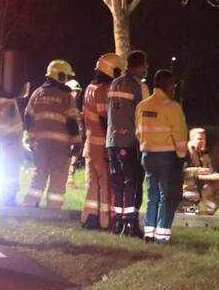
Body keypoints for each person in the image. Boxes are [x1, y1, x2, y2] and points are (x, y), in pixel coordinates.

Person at [136, 70, 188, 243]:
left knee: (152, 196)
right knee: (168, 196)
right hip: (167, 158)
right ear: (168, 85)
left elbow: (138, 132)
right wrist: (181, 156)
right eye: (173, 85)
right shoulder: (172, 106)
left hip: (147, 156)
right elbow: (180, 134)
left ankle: (149, 233)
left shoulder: (142, 106)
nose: (174, 88)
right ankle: (162, 236)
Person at [22, 60, 81, 209]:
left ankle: (29, 205)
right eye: (66, 76)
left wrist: (31, 136)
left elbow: (28, 117)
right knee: (58, 177)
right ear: (60, 76)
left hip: (40, 144)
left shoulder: (37, 93)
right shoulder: (66, 97)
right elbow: (72, 122)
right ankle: (53, 210)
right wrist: (77, 142)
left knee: (39, 175)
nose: (67, 80)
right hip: (61, 146)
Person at [107, 50, 151, 236]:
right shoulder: (139, 86)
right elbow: (146, 116)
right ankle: (130, 224)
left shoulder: (114, 83)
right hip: (131, 141)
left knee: (117, 182)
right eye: (146, 65)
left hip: (112, 140)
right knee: (132, 182)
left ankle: (116, 222)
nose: (147, 69)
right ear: (141, 65)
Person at [81, 53, 123, 229]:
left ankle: (89, 217)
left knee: (93, 181)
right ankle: (106, 221)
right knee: (106, 181)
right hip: (102, 144)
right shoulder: (104, 90)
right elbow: (106, 119)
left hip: (90, 143)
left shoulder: (90, 87)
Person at [0, 54, 25, 207]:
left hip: (3, 137)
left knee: (4, 169)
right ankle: (6, 198)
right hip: (7, 137)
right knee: (9, 170)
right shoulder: (3, 88)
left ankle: (4, 199)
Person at [183, 128, 219, 215]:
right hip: (187, 186)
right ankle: (202, 213)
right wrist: (198, 171)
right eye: (199, 139)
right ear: (191, 140)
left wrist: (213, 172)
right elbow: (180, 172)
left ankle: (208, 212)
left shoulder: (202, 152)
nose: (202, 141)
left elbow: (207, 168)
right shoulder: (185, 153)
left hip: (200, 182)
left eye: (204, 139)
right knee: (208, 189)